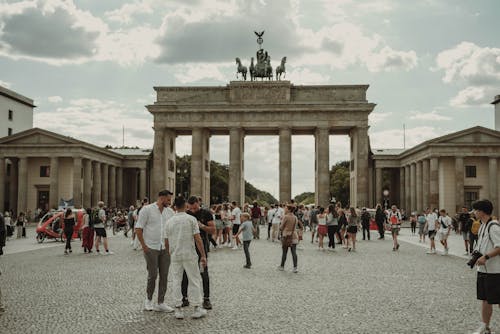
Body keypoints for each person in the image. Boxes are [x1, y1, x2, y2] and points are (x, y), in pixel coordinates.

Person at [165, 196, 207, 320]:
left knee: (176, 281)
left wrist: (170, 252)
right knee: (194, 280)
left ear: (175, 207)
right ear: (186, 206)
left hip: (175, 254)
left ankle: (178, 308)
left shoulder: (169, 222)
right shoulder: (191, 219)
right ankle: (196, 307)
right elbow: (198, 239)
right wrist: (203, 255)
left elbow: (166, 241)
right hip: (189, 253)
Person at [135, 190, 175, 313]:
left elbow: (172, 230)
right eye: (168, 200)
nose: (170, 202)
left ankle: (161, 302)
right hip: (151, 247)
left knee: (164, 276)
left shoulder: (170, 212)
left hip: (165, 248)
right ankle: (148, 300)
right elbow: (138, 228)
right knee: (152, 275)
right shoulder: (146, 210)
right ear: (161, 198)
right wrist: (144, 246)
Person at [471, 199, 500, 334]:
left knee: (497, 300)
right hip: (483, 270)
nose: (474, 212)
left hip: (495, 271)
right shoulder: (482, 225)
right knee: (485, 299)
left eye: (475, 210)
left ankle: (485, 326)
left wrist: (486, 257)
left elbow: (499, 247)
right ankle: (485, 327)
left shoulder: (493, 226)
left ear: (481, 212)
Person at [181, 196, 215, 310]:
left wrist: (202, 226)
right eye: (191, 208)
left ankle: (206, 299)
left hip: (202, 245)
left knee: (203, 272)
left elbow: (213, 230)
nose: (193, 210)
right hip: (188, 245)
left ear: (198, 203)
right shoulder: (185, 214)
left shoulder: (206, 213)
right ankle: (184, 298)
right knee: (185, 272)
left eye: (195, 208)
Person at [278, 205, 303, 273]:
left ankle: (282, 266)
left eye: (285, 208)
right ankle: (295, 267)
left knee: (284, 252)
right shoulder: (295, 217)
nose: (284, 210)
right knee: (294, 252)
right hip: (294, 235)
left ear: (289, 210)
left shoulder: (286, 217)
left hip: (286, 235)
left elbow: (281, 227)